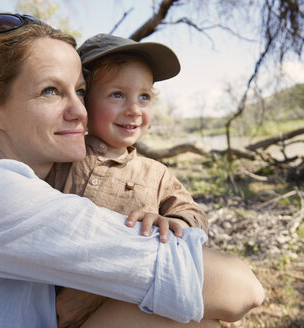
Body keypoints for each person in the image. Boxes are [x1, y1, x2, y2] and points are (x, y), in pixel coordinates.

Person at [0, 13, 264, 328]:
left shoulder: (142, 171)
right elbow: (240, 288)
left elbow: (184, 215)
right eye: (50, 91)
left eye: (78, 90)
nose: (77, 111)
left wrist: (116, 273)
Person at [47, 34, 210, 326]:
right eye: (117, 94)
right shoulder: (59, 158)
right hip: (47, 305)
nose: (134, 109)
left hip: (116, 309)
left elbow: (194, 214)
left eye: (144, 96)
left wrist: (176, 223)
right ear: (83, 97)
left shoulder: (154, 173)